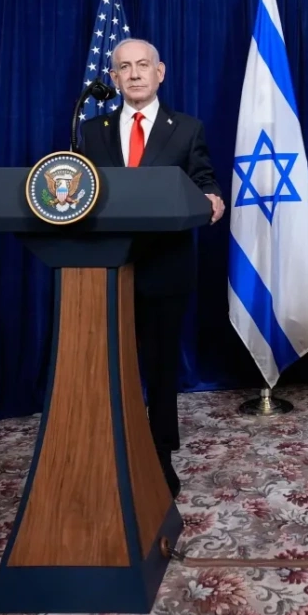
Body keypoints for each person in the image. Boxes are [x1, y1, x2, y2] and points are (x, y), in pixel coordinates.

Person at [78, 38, 225, 498]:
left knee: (160, 367)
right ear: (113, 77)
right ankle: (109, 447)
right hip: (105, 269)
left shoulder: (186, 128)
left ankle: (159, 454)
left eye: (143, 65)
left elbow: (203, 179)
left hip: (165, 266)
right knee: (108, 364)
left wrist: (212, 197)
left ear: (160, 73)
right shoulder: (92, 131)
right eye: (124, 67)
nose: (135, 73)